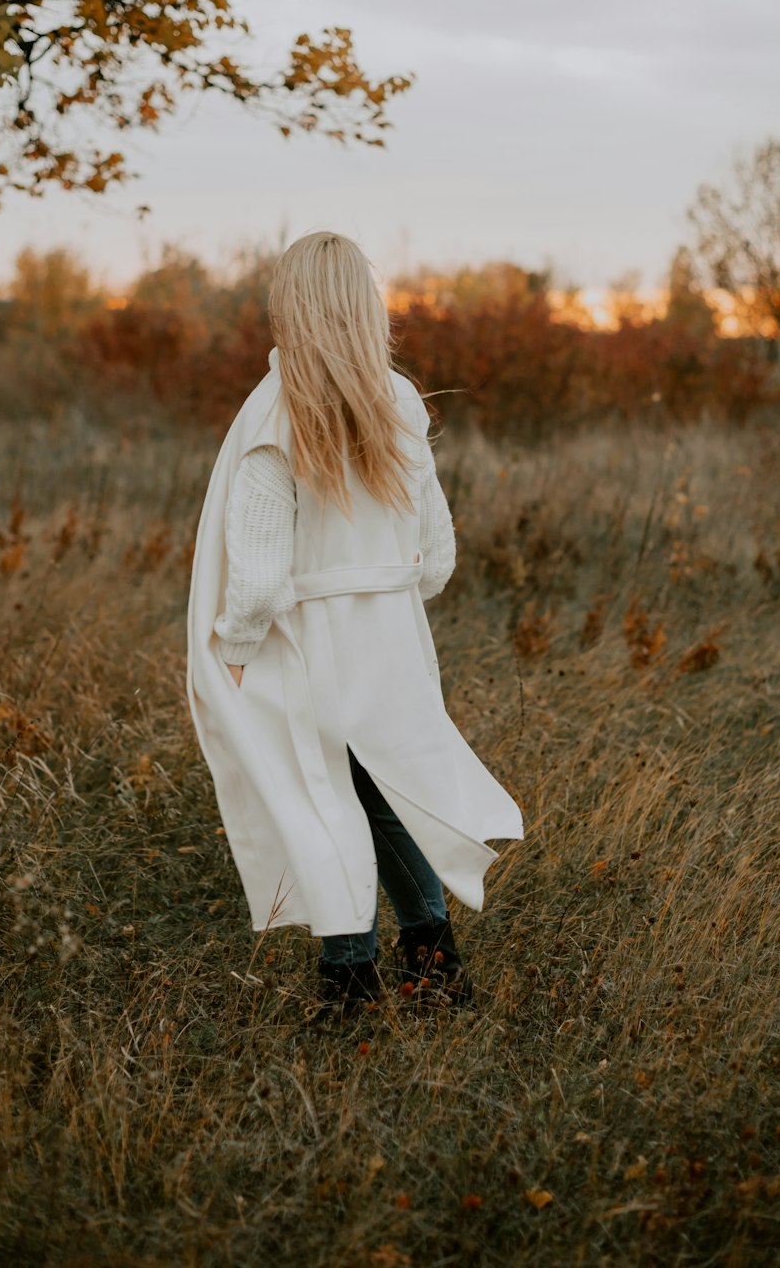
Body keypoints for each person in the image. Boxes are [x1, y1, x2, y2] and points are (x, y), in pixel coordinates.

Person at [185, 231, 523, 1009]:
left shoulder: (275, 411)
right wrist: (383, 597)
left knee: (319, 795)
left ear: (289, 307)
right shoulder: (397, 399)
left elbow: (262, 576)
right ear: (365, 307)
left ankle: (351, 983)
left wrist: (234, 646)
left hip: (307, 644)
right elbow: (435, 555)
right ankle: (433, 966)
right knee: (384, 788)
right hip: (393, 637)